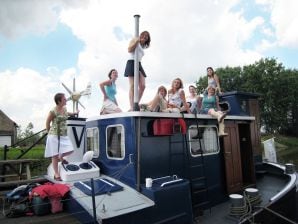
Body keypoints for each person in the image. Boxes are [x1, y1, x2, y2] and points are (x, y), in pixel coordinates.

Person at [45, 93, 78, 181]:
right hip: (54, 135)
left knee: (71, 149)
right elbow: (47, 123)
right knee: (54, 155)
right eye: (64, 99)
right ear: (59, 101)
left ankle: (61, 157)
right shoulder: (53, 111)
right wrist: (49, 133)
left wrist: (74, 113)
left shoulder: (64, 109)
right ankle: (56, 174)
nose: (66, 100)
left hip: (63, 135)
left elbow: (67, 114)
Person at [124, 31, 151, 111]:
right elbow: (129, 49)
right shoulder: (135, 39)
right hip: (131, 62)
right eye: (143, 34)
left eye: (147, 36)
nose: (145, 36)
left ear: (147, 39)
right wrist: (137, 41)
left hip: (139, 63)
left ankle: (136, 103)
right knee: (132, 86)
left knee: (142, 86)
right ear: (140, 34)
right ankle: (132, 106)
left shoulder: (142, 46)